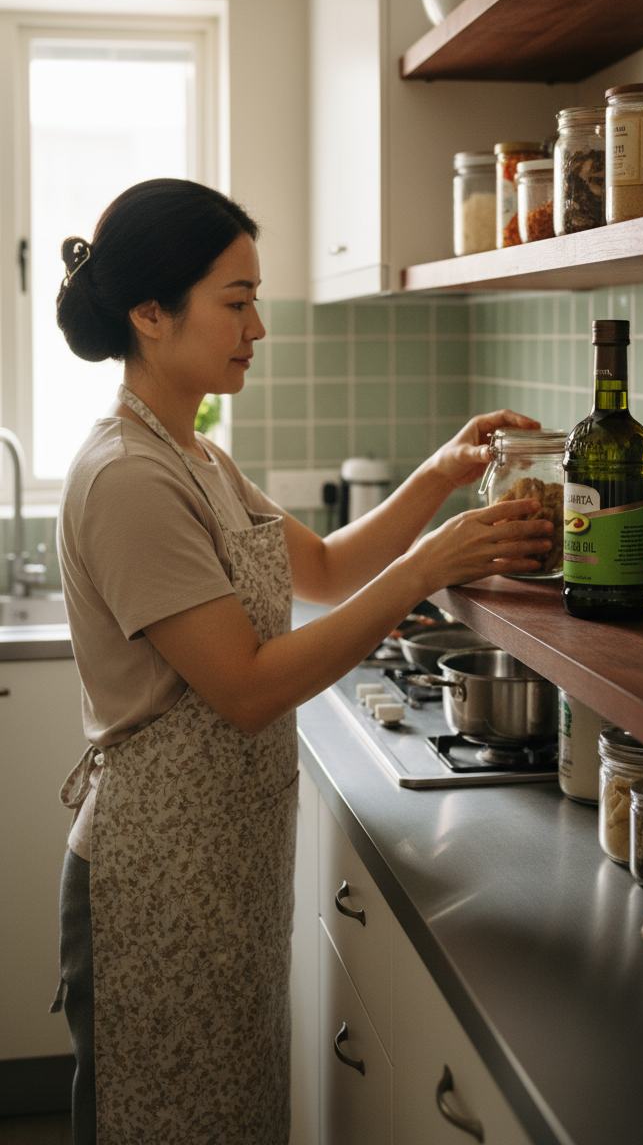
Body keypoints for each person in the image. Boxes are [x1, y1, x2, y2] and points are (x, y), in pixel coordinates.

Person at [53, 178, 553, 1145]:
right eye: (236, 302)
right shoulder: (127, 477)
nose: (258, 328)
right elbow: (246, 688)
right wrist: (428, 567)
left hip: (219, 868)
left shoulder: (197, 455)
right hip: (152, 884)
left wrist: (438, 475)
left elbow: (322, 568)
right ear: (150, 313)